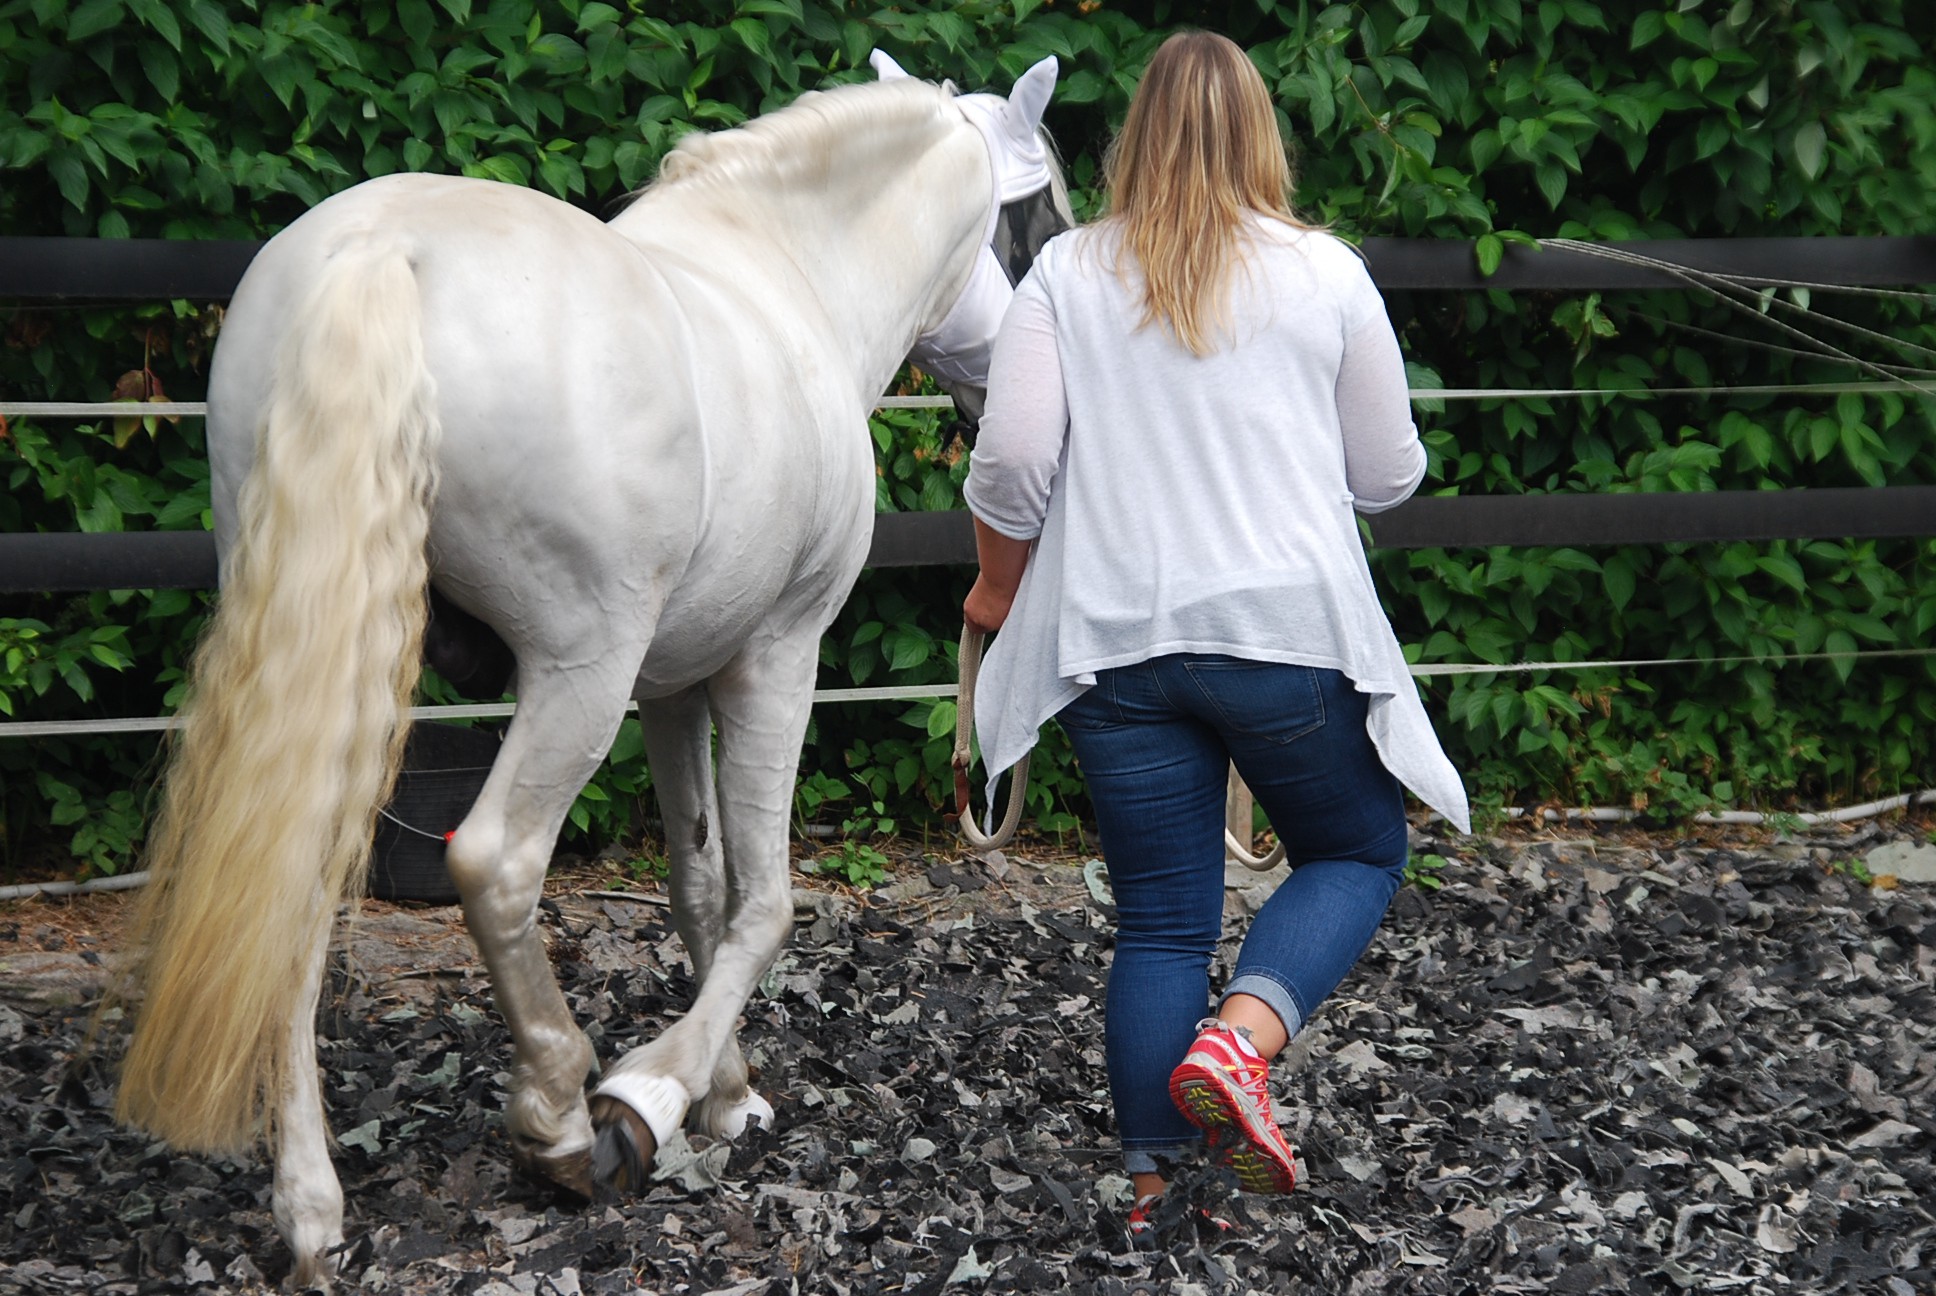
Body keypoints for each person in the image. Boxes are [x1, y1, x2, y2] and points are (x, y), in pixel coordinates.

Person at [960, 30, 1472, 1216]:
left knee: (1159, 923)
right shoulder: (1326, 273)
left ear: (1132, 137)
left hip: (1111, 641)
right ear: (1261, 134)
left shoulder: (1065, 273)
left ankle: (1152, 1181)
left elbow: (1013, 463)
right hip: (1283, 635)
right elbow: (1387, 475)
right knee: (1357, 851)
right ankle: (1240, 1043)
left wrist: (992, 589)